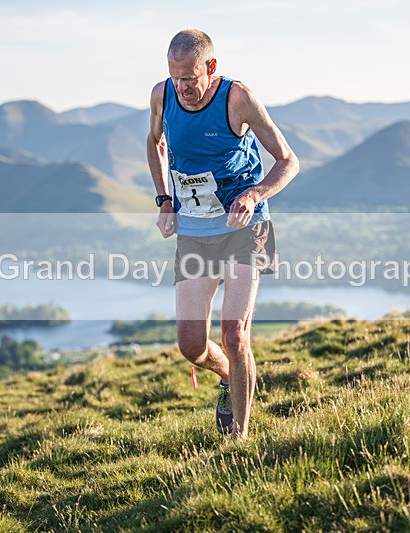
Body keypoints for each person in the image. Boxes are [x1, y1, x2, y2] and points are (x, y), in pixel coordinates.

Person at [146, 29, 299, 439]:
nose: (182, 87)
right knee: (191, 346)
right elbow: (155, 142)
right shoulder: (162, 95)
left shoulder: (238, 99)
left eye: (190, 78)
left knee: (234, 334)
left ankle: (239, 439)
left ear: (210, 67)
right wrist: (164, 200)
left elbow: (288, 161)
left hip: (244, 227)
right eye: (175, 77)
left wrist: (254, 194)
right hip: (195, 232)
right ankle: (232, 377)